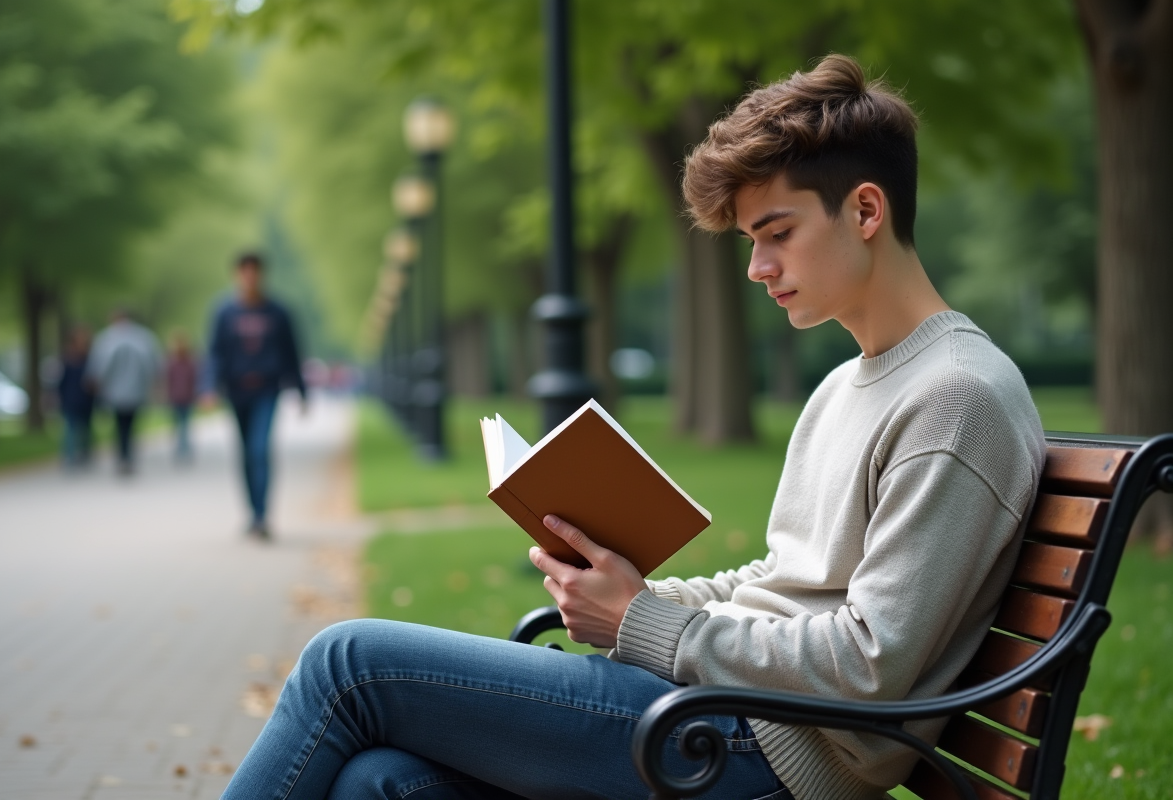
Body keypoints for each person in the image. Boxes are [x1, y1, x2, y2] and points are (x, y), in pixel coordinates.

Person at [222, 56, 1045, 800]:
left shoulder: (957, 397)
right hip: (717, 715)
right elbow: (787, 583)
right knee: (381, 783)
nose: (758, 268)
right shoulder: (846, 385)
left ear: (865, 209)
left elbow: (869, 666)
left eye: (777, 235)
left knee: (347, 665)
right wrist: (640, 600)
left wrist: (646, 625)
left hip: (759, 749)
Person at [204, 252, 306, 540]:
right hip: (236, 391)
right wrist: (209, 387)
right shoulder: (224, 312)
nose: (250, 277)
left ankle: (262, 516)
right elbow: (214, 353)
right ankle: (252, 513)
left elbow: (292, 352)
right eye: (244, 272)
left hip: (267, 389)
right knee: (245, 453)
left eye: (254, 272)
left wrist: (301, 391)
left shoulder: (278, 312)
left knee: (260, 450)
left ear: (261, 275)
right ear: (237, 275)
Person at [85, 310, 162, 476]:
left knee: (120, 425)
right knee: (131, 425)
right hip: (137, 391)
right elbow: (153, 364)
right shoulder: (144, 337)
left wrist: (98, 383)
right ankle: (128, 457)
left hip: (114, 392)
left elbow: (98, 366)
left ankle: (122, 457)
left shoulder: (105, 338)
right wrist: (152, 384)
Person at [57, 326, 95, 468]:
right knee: (70, 429)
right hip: (70, 398)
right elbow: (60, 380)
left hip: (86, 399)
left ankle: (85, 455)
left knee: (86, 429)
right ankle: (70, 457)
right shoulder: (66, 357)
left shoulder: (90, 357)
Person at [166, 331, 198, 462]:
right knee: (183, 423)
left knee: (181, 423)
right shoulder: (185, 362)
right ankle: (183, 447)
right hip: (182, 397)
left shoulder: (181, 362)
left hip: (182, 397)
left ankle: (182, 448)